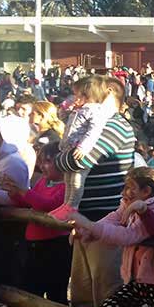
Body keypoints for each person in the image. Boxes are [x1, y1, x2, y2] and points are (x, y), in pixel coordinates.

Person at [55, 76, 136, 307]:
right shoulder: (91, 123)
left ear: (108, 95)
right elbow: (62, 158)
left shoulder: (114, 125)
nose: (81, 101)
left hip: (106, 223)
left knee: (108, 293)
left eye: (87, 95)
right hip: (84, 218)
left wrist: (63, 156)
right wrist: (64, 156)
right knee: (82, 292)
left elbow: (78, 161)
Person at [70, 167, 154, 307]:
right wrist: (88, 229)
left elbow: (128, 235)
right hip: (138, 279)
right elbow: (115, 218)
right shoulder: (130, 205)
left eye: (130, 187)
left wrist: (90, 226)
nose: (124, 192)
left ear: (146, 191)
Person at [0, 142, 71, 307]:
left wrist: (23, 192)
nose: (43, 165)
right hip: (34, 245)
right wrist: (15, 192)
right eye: (42, 161)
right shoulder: (43, 182)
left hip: (55, 248)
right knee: (28, 288)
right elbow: (30, 202)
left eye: (48, 161)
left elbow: (47, 204)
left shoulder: (67, 187)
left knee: (56, 295)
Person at [51, 77, 119, 218]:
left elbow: (93, 131)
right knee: (68, 180)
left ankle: (72, 206)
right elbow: (71, 129)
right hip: (70, 148)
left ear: (86, 96)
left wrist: (83, 147)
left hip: (79, 150)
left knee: (76, 179)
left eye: (77, 95)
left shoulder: (95, 111)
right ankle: (66, 204)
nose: (74, 98)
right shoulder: (80, 110)